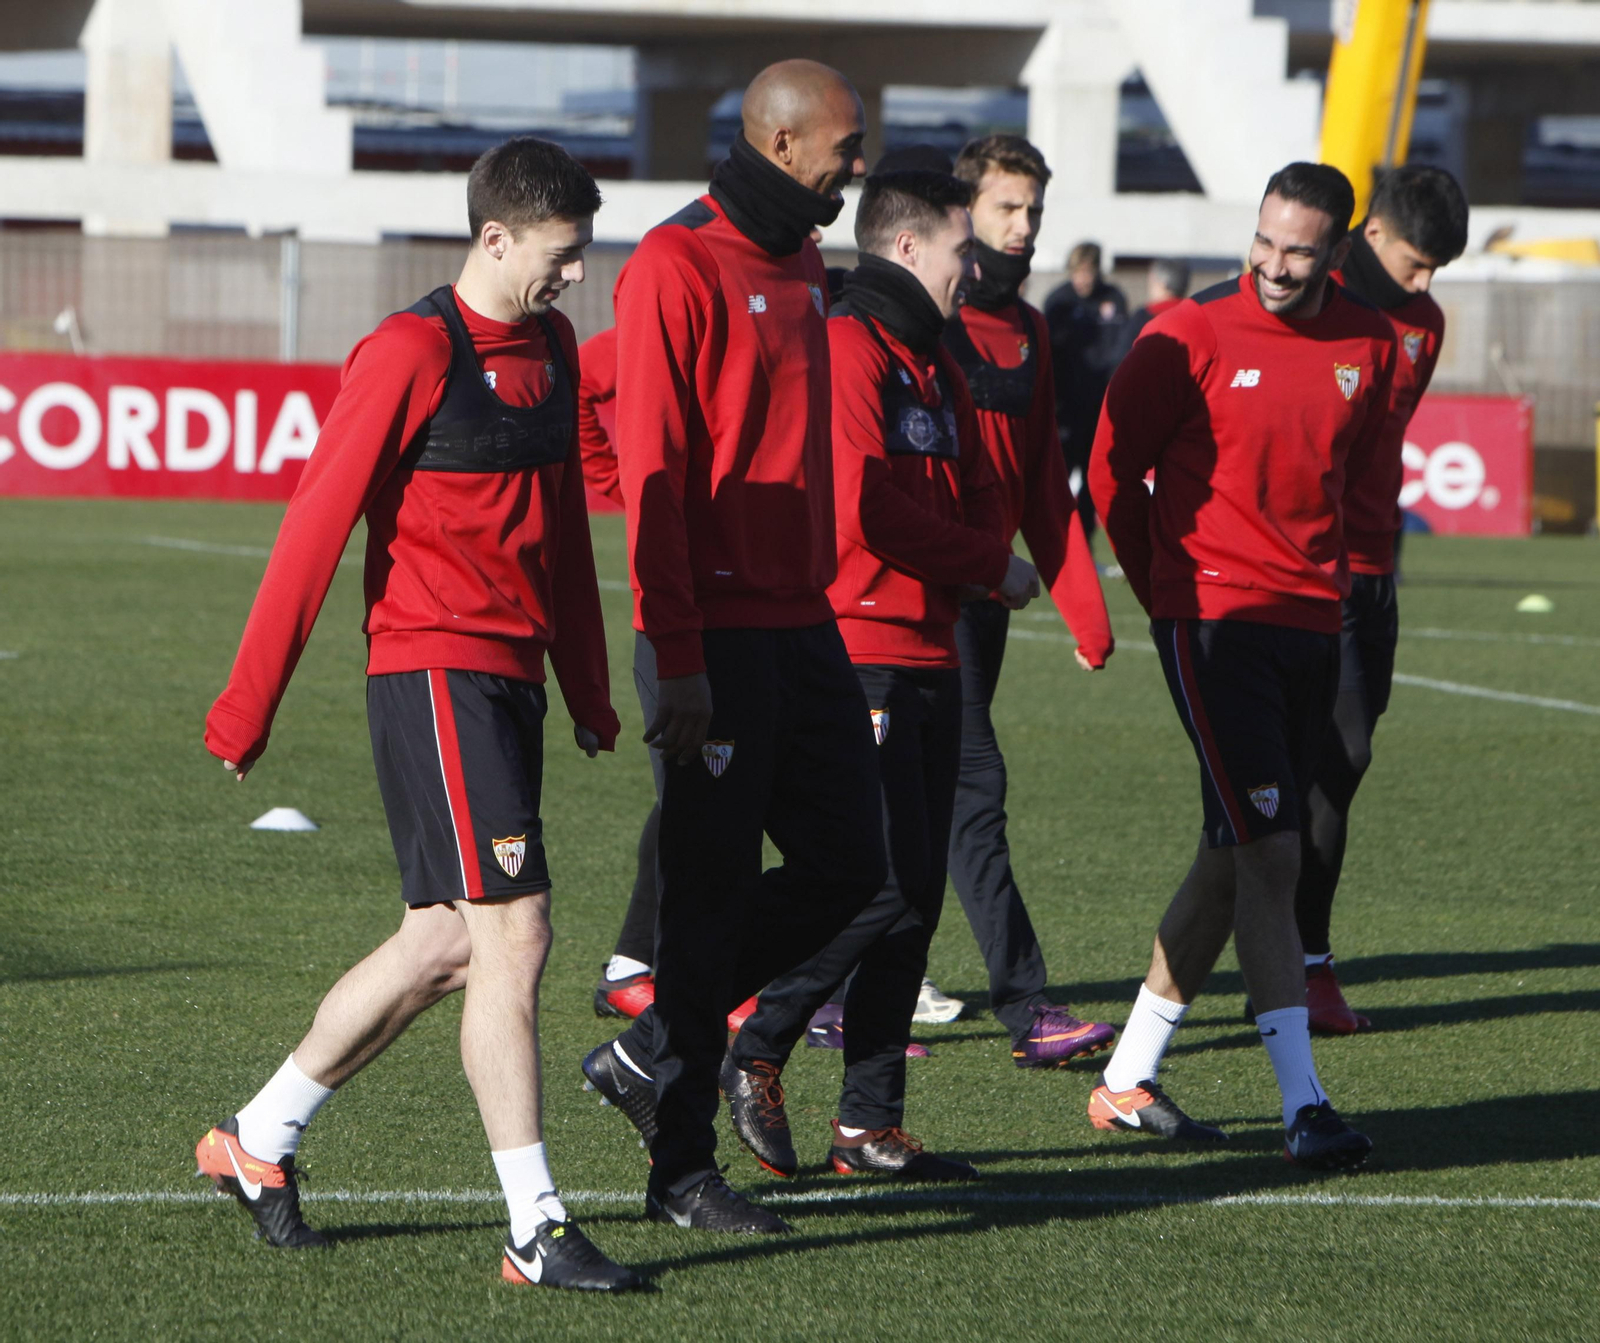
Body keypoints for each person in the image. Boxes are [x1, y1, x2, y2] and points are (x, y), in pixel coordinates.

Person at [194, 138, 644, 1291]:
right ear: (495, 239)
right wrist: (248, 707)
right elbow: (314, 526)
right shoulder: (406, 351)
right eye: (563, 255)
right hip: (431, 670)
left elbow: (558, 534)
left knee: (446, 939)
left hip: (512, 682)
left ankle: (259, 1136)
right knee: (519, 928)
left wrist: (589, 690)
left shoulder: (548, 345)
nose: (576, 278)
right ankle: (536, 1224)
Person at [578, 59, 886, 1234]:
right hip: (710, 635)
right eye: (845, 147)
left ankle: (655, 1047)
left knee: (856, 864)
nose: (858, 164)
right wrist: (679, 648)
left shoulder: (805, 255)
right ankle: (680, 1173)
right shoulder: (673, 263)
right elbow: (648, 466)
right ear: (782, 142)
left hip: (802, 620)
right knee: (704, 905)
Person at [717, 162, 1042, 1183]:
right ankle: (757, 1036)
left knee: (914, 902)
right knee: (877, 883)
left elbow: (978, 476)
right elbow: (865, 507)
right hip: (860, 652)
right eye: (961, 243)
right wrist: (988, 562)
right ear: (908, 248)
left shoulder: (931, 353)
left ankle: (867, 1123)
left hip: (932, 644)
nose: (976, 259)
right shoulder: (852, 344)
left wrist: (986, 546)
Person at [1086, 162, 1397, 1171]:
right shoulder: (1185, 333)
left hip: (1311, 622)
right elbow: (1108, 475)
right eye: (1262, 240)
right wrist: (1160, 591)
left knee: (1235, 850)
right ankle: (1303, 1104)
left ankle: (1127, 1076)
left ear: (1333, 254)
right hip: (1210, 621)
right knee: (1272, 851)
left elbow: (1355, 482)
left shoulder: (1371, 342)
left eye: (1296, 248)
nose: (1270, 263)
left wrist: (1349, 588)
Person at [938, 133, 1119, 1066]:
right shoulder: (913, 312)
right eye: (1008, 208)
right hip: (907, 601)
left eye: (1035, 211)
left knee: (917, 803)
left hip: (987, 604)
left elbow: (1046, 485)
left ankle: (832, 995)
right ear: (962, 212)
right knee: (973, 792)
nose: (1025, 227)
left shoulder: (1035, 330)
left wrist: (1087, 613)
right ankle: (1027, 1003)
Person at [1288, 163, 1466, 1032]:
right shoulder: (1304, 300)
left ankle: (1297, 952)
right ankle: (1299, 962)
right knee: (1294, 769)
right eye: (1415, 266)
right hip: (1291, 573)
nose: (1426, 286)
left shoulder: (1423, 325)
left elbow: (1384, 444)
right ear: (1371, 236)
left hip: (1370, 573)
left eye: (1438, 271)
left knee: (1344, 763)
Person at [1044, 240, 1127, 536]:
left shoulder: (1114, 299)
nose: (1083, 279)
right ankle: (1054, 537)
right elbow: (1049, 358)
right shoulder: (1058, 303)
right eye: (1077, 272)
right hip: (1065, 411)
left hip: (1099, 409)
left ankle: (1086, 541)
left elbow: (1120, 352)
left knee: (1095, 479)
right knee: (1056, 479)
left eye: (1088, 272)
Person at [1117, 257, 1191, 359]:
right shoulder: (1194, 316)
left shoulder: (1143, 317)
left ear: (1161, 283)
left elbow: (1121, 356)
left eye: (1152, 280)